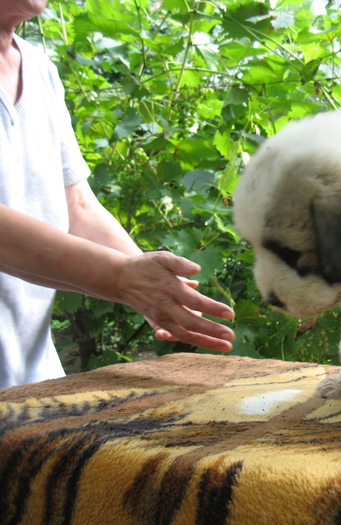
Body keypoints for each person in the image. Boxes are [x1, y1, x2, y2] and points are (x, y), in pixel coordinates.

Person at [0, 0, 235, 388]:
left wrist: (157, 287)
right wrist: (121, 277)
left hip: (31, 381)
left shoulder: (40, 68)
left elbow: (78, 206)